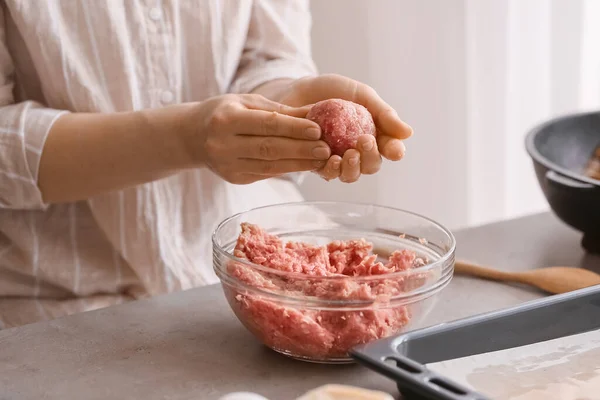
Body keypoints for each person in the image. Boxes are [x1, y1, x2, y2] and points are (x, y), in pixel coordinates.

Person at [0, 0, 412, 328]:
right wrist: (184, 139)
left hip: (244, 282)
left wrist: (289, 104)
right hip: (56, 308)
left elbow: (269, 57)